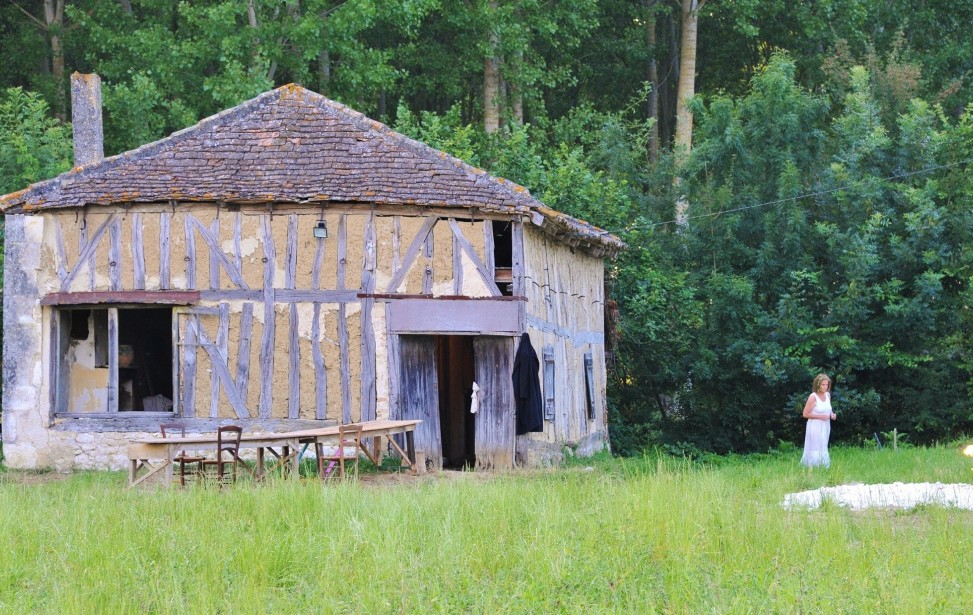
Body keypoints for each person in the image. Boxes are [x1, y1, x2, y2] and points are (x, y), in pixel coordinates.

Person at [801, 373, 836, 468]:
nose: (825, 387)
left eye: (827, 384)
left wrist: (832, 414)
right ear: (818, 385)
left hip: (825, 425)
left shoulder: (828, 395)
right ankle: (813, 466)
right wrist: (820, 416)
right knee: (816, 446)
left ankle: (823, 466)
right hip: (815, 425)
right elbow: (805, 414)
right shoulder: (813, 397)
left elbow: (828, 409)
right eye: (823, 385)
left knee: (823, 444)